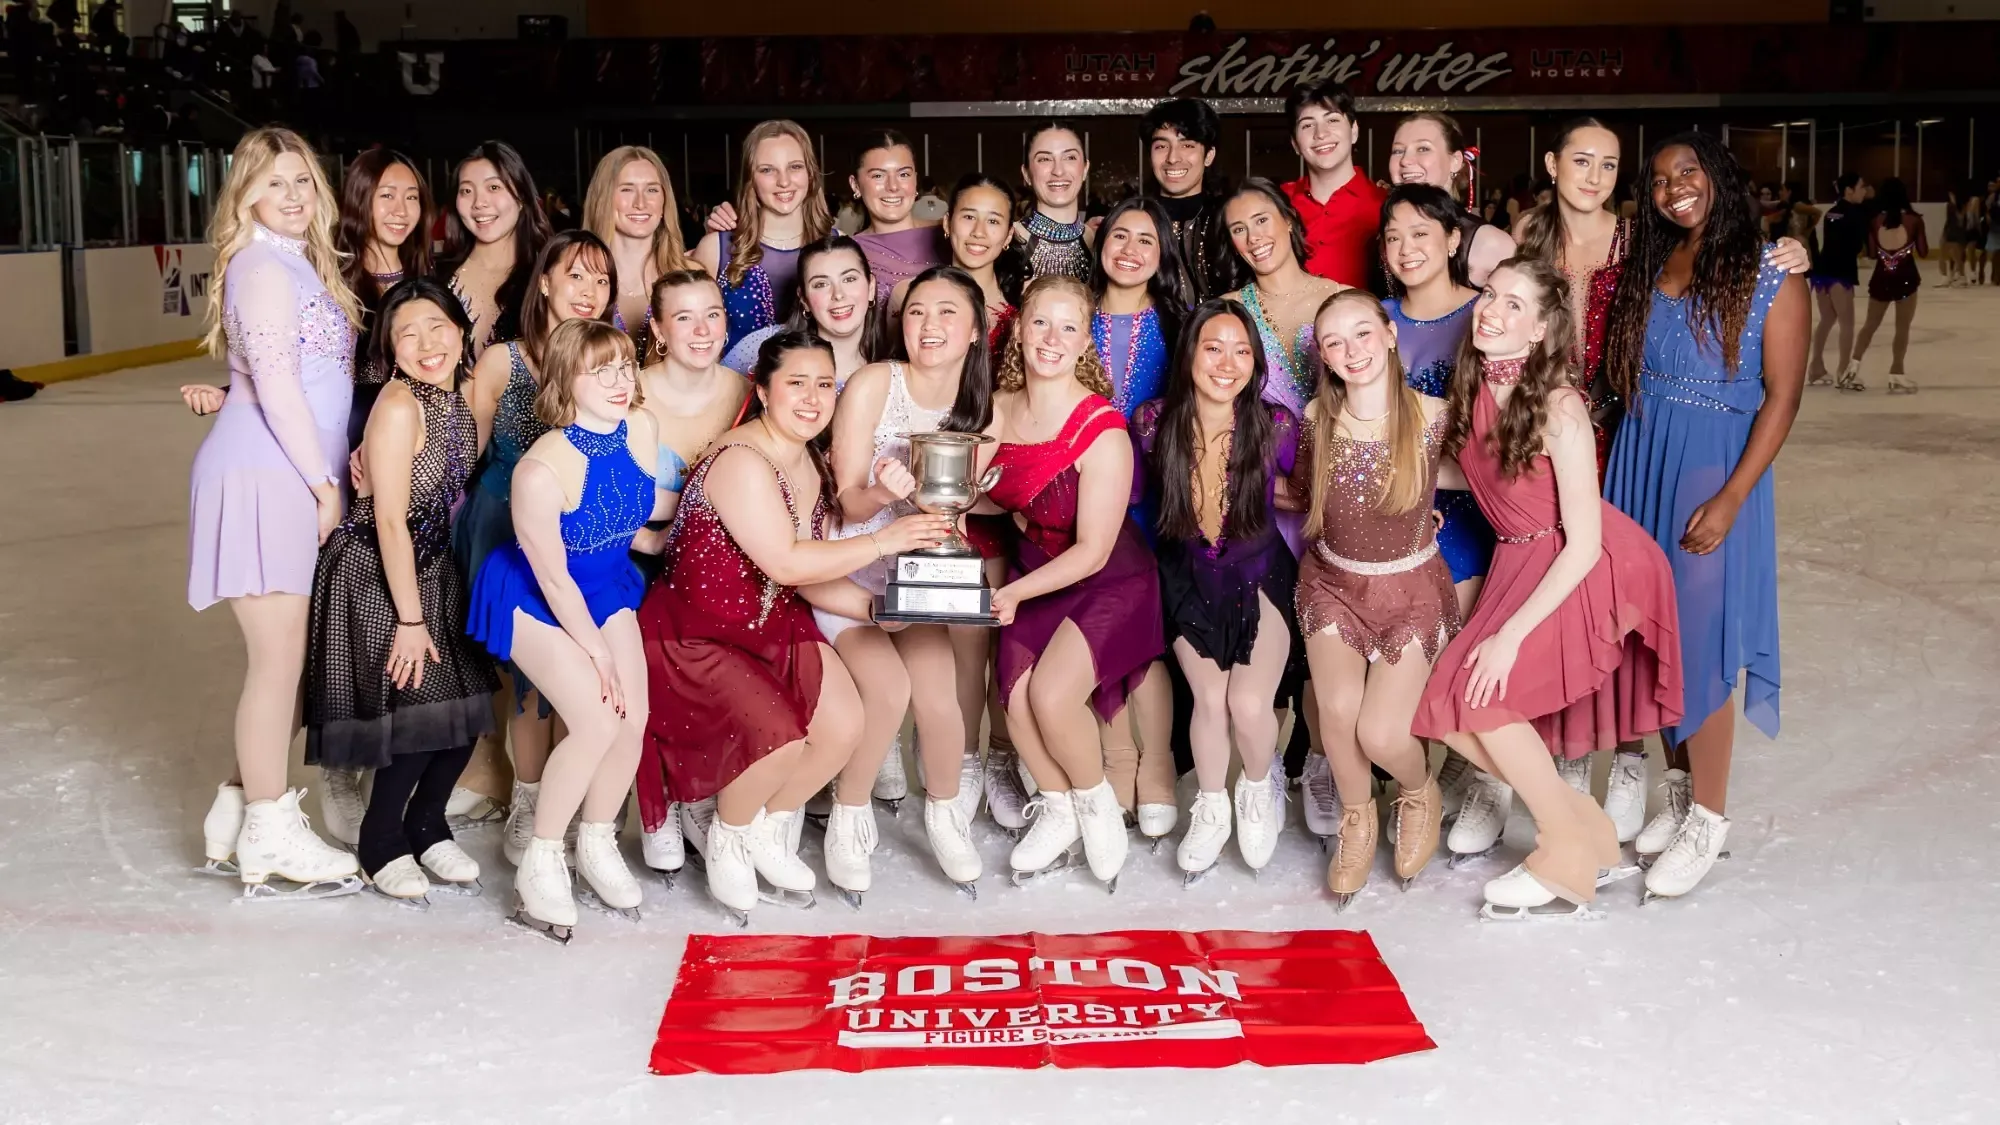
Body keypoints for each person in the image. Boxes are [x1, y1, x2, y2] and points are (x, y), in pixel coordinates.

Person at [639, 331, 952, 921]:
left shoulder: (806, 457)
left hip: (771, 618)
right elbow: (785, 561)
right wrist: (884, 540)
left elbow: (804, 577)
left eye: (825, 385)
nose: (813, 398)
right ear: (761, 390)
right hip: (699, 632)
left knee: (844, 725)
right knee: (779, 734)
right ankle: (729, 837)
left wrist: (883, 610)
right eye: (796, 383)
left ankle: (762, 826)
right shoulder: (741, 461)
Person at [1415, 258, 1684, 919]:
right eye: (1489, 296)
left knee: (1482, 701)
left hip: (1576, 564)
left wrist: (1510, 636)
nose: (1491, 310)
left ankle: (1563, 852)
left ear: (1539, 329)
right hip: (1515, 559)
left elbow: (1584, 540)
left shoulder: (1560, 405)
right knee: (1445, 707)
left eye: (1513, 305)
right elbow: (1476, 469)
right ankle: (1583, 825)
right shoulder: (1478, 385)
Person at [1604, 132, 1807, 903]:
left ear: (1718, 176)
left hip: (1712, 471)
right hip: (1642, 456)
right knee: (1652, 636)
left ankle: (1711, 816)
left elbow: (1783, 397)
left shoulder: (1770, 274)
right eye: (1658, 180)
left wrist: (1730, 497)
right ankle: (1682, 786)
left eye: (1687, 172)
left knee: (1700, 641)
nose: (1673, 187)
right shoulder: (1653, 263)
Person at [187, 127, 366, 898]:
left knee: (293, 668)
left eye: (302, 181)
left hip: (286, 470)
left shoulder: (297, 264)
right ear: (246, 196)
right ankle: (266, 825)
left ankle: (236, 807)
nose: (293, 196)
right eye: (275, 183)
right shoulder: (261, 267)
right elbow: (279, 387)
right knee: (279, 665)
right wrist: (323, 482)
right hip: (268, 474)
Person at [464, 319, 668, 940]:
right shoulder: (540, 470)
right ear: (564, 380)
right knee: (599, 718)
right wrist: (599, 657)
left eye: (622, 366)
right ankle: (543, 859)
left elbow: (630, 521)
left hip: (605, 585)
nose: (616, 381)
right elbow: (554, 581)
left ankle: (598, 839)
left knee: (633, 719)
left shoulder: (642, 426)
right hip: (531, 594)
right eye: (596, 370)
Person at [304, 279, 497, 904]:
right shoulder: (397, 405)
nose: (426, 344)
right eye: (407, 334)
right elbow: (388, 519)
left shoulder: (456, 395)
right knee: (419, 718)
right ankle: (381, 837)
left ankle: (427, 822)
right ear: (390, 347)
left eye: (437, 326)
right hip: (376, 572)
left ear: (460, 329)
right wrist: (409, 622)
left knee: (465, 718)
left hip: (432, 564)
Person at [816, 266, 996, 899]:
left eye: (948, 313)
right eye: (917, 312)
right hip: (850, 567)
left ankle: (945, 817)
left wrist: (950, 540)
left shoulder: (979, 406)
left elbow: (954, 515)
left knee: (940, 698)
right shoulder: (872, 383)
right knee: (887, 691)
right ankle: (850, 814)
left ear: (975, 331)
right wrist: (880, 490)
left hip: (913, 572)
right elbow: (844, 502)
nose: (930, 326)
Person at [981, 275, 1165, 889]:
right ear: (1020, 331)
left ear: (1086, 340)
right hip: (1037, 571)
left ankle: (1098, 809)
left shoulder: (1103, 427)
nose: (1051, 338)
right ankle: (1058, 809)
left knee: (1052, 697)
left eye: (1068, 327)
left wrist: (1009, 594)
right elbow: (984, 496)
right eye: (1040, 323)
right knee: (1012, 695)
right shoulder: (1001, 407)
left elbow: (1091, 551)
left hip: (1109, 579)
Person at [454, 229, 615, 865]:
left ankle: (562, 795)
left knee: (573, 671)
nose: (589, 291)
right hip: (503, 525)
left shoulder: (605, 360)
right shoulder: (505, 361)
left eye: (601, 280)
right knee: (527, 677)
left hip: (578, 534)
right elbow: (461, 451)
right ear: (544, 282)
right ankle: (527, 799)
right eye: (575, 276)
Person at [1295, 290, 1461, 905]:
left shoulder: (1435, 416)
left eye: (1362, 334)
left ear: (1390, 334)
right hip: (1333, 584)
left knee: (1383, 733)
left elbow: (1483, 482)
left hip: (1410, 589)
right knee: (1336, 712)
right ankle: (1358, 817)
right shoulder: (1316, 418)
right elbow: (1309, 494)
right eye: (1334, 342)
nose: (1350, 350)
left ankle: (1418, 790)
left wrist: (1425, 514)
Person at [1133, 299, 1300, 881]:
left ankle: (1258, 784)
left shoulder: (1275, 425)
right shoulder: (1153, 422)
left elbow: (1314, 494)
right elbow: (1129, 495)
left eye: (1242, 350)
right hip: (1187, 577)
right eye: (1213, 347)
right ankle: (1210, 804)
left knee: (1247, 702)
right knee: (1207, 699)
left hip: (1259, 577)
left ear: (1255, 362)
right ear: (1190, 356)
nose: (1227, 363)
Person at [1087, 195, 1186, 840]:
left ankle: (1159, 762)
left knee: (1147, 629)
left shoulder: (1180, 323)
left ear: (1162, 253)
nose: (1129, 250)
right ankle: (1117, 756)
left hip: (1153, 501)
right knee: (1095, 629)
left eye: (1145, 240)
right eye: (1119, 236)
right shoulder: (1069, 315)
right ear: (1099, 243)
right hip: (1081, 498)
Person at [1219, 178, 1343, 555]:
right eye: (1239, 229)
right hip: (1263, 494)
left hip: (1339, 487)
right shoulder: (1227, 313)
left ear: (1288, 219)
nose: (1253, 237)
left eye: (1261, 220)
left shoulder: (1341, 298)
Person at [694, 119, 832, 353]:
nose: (784, 181)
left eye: (795, 167)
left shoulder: (838, 245)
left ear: (810, 173)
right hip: (733, 387)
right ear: (751, 179)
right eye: (768, 170)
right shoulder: (715, 248)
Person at [437, 141, 553, 360]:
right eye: (467, 191)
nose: (479, 202)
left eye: (493, 187)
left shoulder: (549, 275)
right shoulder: (435, 278)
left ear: (521, 198)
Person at [721, 234, 890, 383]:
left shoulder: (891, 372)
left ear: (871, 287)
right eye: (821, 284)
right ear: (804, 299)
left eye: (849, 279)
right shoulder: (761, 346)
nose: (838, 294)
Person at [583, 145, 698, 355]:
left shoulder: (691, 275)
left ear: (664, 201)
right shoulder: (576, 279)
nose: (641, 203)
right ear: (603, 199)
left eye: (652, 189)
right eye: (627, 189)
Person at [892, 173, 1024, 350]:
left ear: (1008, 236)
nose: (979, 232)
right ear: (947, 223)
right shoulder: (908, 295)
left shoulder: (1025, 302)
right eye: (969, 217)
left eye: (993, 221)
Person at [1385, 111, 1516, 286]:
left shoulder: (1491, 244)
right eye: (1398, 151)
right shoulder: (1380, 234)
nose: (1406, 160)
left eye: (1423, 148)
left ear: (1455, 161)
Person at [1279, 81, 1385, 291]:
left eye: (1333, 120)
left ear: (1354, 131)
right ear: (1295, 143)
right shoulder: (1277, 202)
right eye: (1307, 125)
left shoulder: (1385, 203)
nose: (1321, 134)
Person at [1140, 97, 1228, 303]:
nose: (1172, 158)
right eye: (1161, 146)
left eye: (1187, 145)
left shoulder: (1228, 221)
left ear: (1209, 155)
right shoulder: (1133, 222)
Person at [1846, 176, 1924, 394]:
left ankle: (1853, 366)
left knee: (1870, 325)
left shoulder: (1875, 221)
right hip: (1906, 277)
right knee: (1902, 327)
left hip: (1882, 278)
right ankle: (1896, 373)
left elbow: (1871, 253)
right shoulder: (1914, 220)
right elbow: (1924, 250)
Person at [1806, 173, 1868, 386]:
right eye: (1861, 186)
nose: (1865, 190)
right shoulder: (1856, 213)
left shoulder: (1832, 212)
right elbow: (1857, 246)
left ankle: (1815, 367)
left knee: (1827, 319)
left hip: (1822, 272)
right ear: (1849, 190)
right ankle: (1843, 371)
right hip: (1840, 273)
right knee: (1847, 324)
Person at [1018, 122, 1095, 282]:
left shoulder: (1101, 242)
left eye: (1070, 157)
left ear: (1085, 169)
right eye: (1044, 159)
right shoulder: (1007, 240)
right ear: (1026, 174)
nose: (1058, 171)